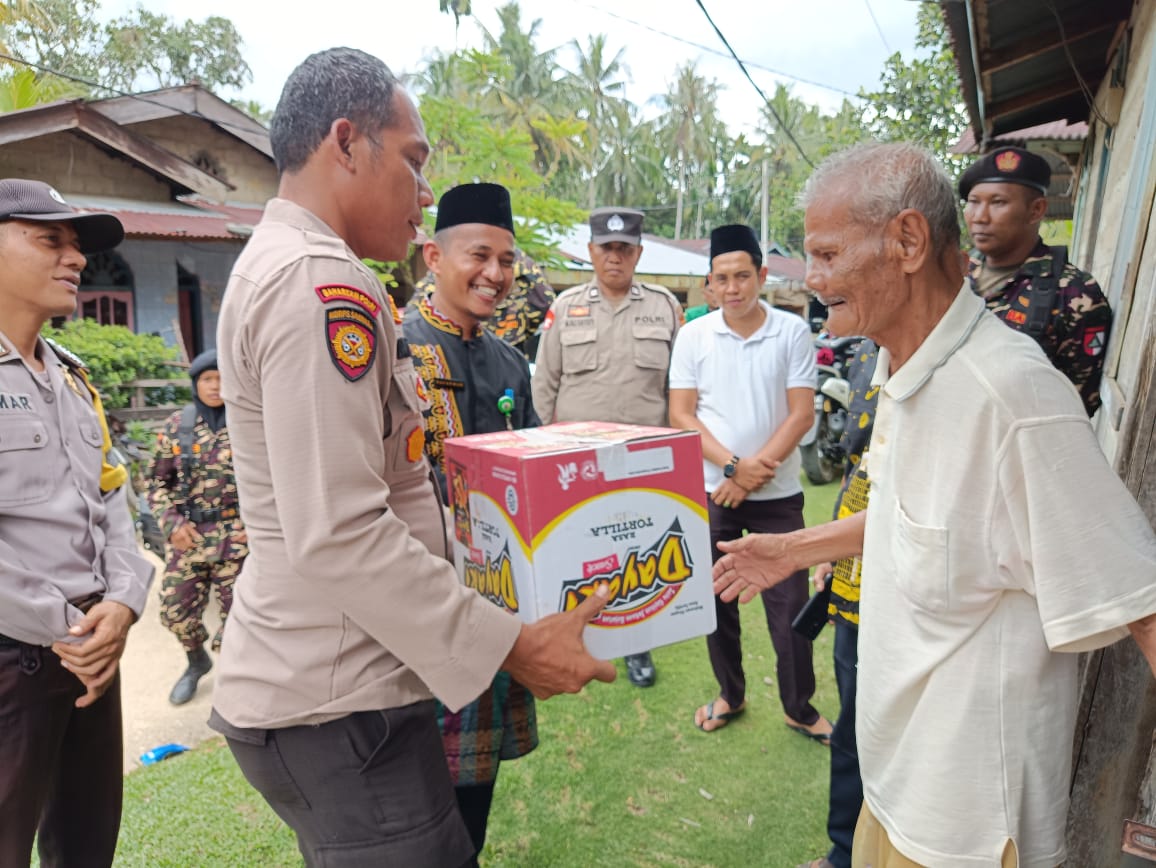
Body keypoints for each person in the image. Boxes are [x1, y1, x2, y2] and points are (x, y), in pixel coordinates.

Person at [210, 48, 615, 868]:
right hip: (340, 703)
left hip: (337, 685)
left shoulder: (286, 266)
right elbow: (341, 532)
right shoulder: (324, 285)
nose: (424, 193)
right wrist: (509, 644)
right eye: (416, 161)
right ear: (347, 142)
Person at [713, 141, 1156, 867]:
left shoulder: (1011, 397)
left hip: (969, 833)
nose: (812, 278)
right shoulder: (907, 365)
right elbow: (910, 516)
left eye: (826, 254)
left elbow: (1140, 603)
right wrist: (791, 550)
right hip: (893, 795)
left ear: (908, 241)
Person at [0, 178, 154, 866]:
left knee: (87, 846)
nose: (75, 259)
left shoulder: (71, 377)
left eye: (77, 245)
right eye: (49, 239)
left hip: (95, 654)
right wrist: (68, 628)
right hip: (17, 659)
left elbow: (111, 494)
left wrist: (122, 600)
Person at [402, 181, 540, 859]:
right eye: (479, 255)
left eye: (507, 261)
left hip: (496, 607)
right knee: (409, 801)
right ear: (434, 255)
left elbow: (537, 471)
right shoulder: (394, 349)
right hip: (415, 607)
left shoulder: (511, 360)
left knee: (470, 798)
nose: (496, 274)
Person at [667, 223, 829, 742]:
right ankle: (730, 694)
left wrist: (753, 473)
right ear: (709, 284)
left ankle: (799, 708)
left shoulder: (791, 331)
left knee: (790, 614)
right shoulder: (693, 335)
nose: (733, 287)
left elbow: (801, 414)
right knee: (717, 608)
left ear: (762, 275)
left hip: (778, 498)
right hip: (715, 493)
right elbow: (682, 414)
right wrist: (735, 468)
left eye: (743, 276)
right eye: (722, 279)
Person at [532, 206, 682, 688]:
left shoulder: (664, 307)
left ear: (638, 253)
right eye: (605, 248)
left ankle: (637, 646)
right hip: (577, 462)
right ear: (591, 252)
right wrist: (554, 445)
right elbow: (544, 383)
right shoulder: (567, 305)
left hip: (642, 461)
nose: (614, 257)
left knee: (637, 553)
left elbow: (679, 387)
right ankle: (572, 639)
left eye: (624, 249)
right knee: (578, 551)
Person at [798, 340, 877, 868]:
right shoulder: (869, 352)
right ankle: (844, 852)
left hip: (920, 586)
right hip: (855, 572)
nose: (820, 280)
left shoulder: (964, 353)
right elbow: (856, 463)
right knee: (852, 723)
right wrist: (830, 546)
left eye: (831, 253)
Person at [961, 145, 1111, 417]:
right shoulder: (953, 277)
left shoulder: (1074, 294)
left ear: (1036, 210)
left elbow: (1078, 404)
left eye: (998, 203)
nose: (980, 217)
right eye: (973, 201)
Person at [145, 349, 247, 705]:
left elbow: (274, 481)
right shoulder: (178, 425)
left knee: (241, 618)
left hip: (238, 540)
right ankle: (196, 660)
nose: (215, 386)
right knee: (175, 612)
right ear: (196, 384)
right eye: (207, 379)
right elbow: (156, 484)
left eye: (221, 378)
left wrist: (259, 526)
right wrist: (171, 523)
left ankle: (235, 680)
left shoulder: (249, 421)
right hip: (189, 538)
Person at [409, 246, 556, 361]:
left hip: (496, 356)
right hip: (454, 355)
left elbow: (416, 313)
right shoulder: (517, 258)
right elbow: (545, 303)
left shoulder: (450, 259)